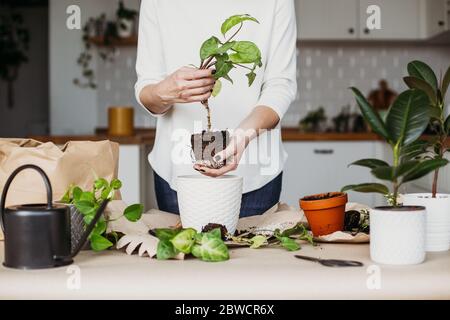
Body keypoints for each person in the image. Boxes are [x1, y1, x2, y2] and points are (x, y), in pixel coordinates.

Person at [135, 0, 297, 217]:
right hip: (178, 174)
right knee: (184, 249)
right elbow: (147, 87)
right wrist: (166, 91)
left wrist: (243, 136)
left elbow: (280, 84)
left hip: (254, 174)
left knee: (254, 251)